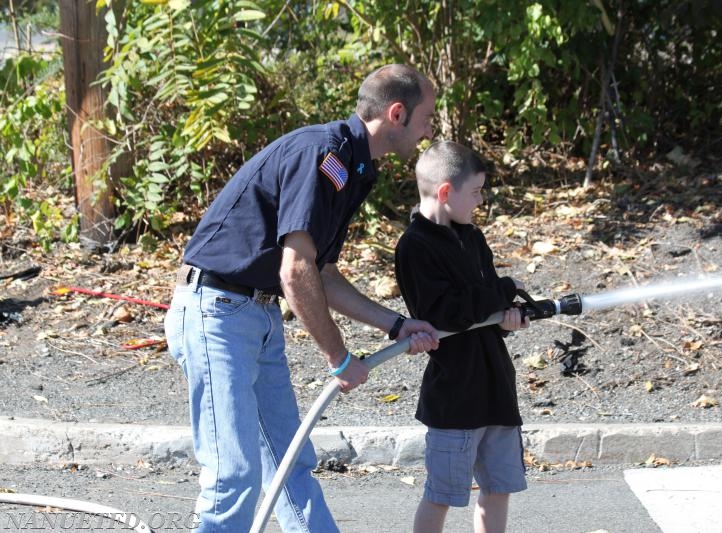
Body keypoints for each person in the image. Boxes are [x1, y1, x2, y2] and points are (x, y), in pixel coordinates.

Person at [164, 64, 440, 533]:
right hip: (216, 313)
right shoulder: (323, 154)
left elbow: (321, 273)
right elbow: (294, 271)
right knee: (234, 472)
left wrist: (395, 325)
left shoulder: (352, 165)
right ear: (396, 113)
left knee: (291, 463)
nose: (431, 129)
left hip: (256, 315)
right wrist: (337, 357)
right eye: (427, 117)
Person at [394, 141, 530, 533]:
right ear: (444, 192)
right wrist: (502, 291)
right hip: (455, 395)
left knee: (498, 488)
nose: (480, 201)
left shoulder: (472, 237)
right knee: (442, 494)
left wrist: (505, 319)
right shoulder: (414, 248)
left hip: (496, 389)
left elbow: (482, 308)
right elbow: (445, 313)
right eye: (475, 192)